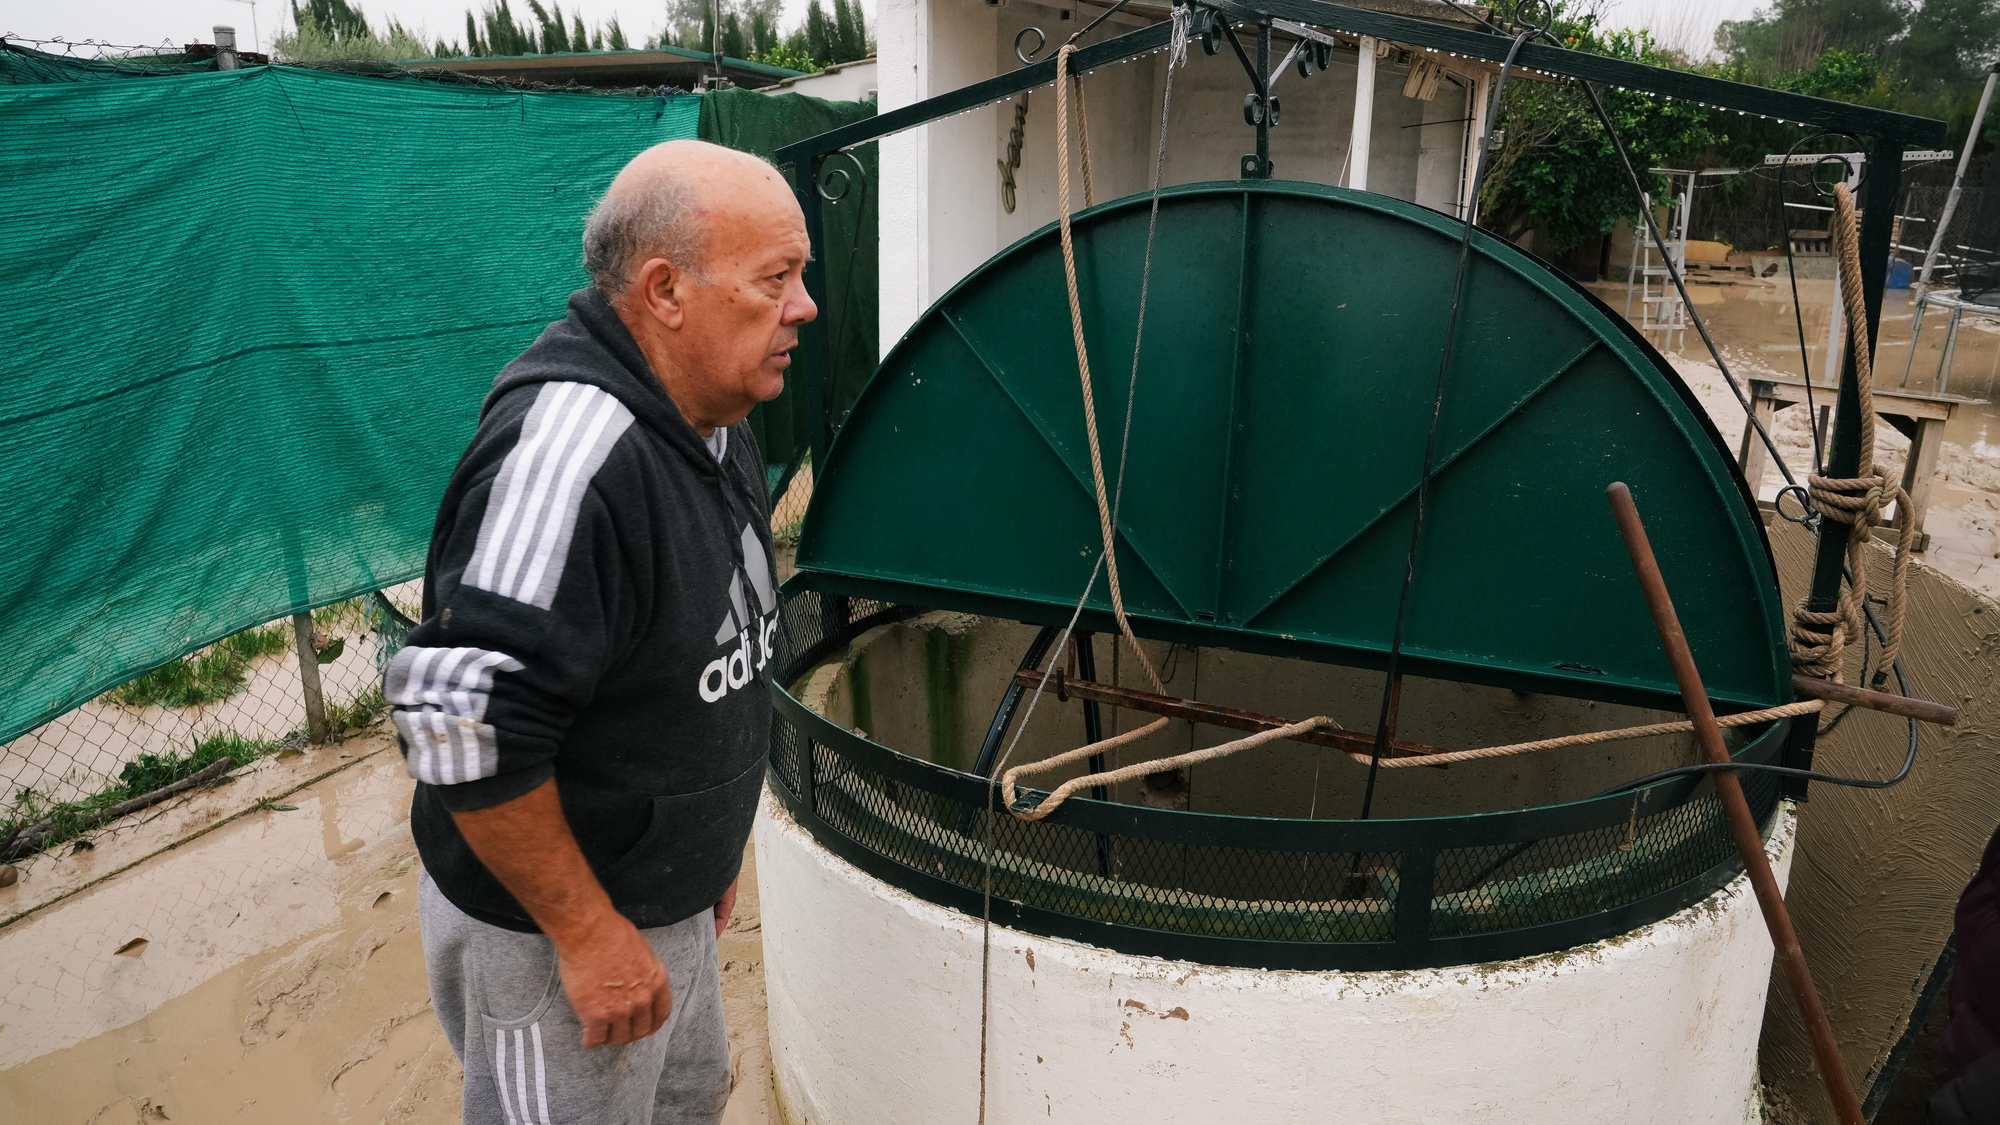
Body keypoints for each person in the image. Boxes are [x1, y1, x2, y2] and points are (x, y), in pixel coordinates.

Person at [385, 139, 815, 1125]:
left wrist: (701, 860)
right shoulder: (570, 457)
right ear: (665, 291)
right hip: (554, 933)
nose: (804, 307)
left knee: (687, 1101)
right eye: (775, 279)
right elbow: (460, 720)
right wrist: (586, 935)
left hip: (662, 897)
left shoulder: (713, 412)